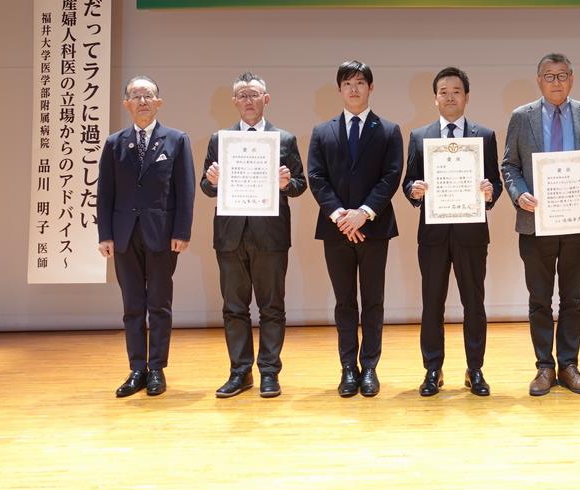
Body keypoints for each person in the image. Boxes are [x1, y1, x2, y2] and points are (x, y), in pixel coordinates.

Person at [502, 53, 580, 396]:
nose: (556, 82)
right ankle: (544, 368)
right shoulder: (522, 117)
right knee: (539, 299)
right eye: (549, 76)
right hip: (536, 223)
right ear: (539, 81)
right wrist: (519, 194)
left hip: (577, 221)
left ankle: (569, 365)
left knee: (573, 298)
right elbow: (509, 166)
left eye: (562, 75)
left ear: (572, 79)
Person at [200, 72, 307, 399]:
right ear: (234, 101)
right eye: (243, 95)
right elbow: (206, 187)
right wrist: (212, 181)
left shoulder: (284, 139)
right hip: (230, 236)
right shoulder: (220, 140)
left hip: (270, 236)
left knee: (272, 306)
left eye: (254, 94)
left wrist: (286, 184)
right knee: (234, 307)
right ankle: (240, 372)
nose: (248, 100)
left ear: (266, 99)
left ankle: (270, 373)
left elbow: (300, 185)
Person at [403, 67, 502, 397]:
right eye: (443, 92)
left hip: (471, 234)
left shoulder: (484, 136)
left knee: (474, 303)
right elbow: (408, 181)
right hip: (432, 236)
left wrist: (490, 191)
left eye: (456, 91)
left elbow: (495, 182)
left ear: (466, 97)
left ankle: (475, 369)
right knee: (432, 303)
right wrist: (414, 190)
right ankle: (433, 369)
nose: (449, 97)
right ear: (435, 98)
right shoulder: (420, 136)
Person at [307, 60, 403, 398]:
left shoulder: (388, 130)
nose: (354, 89)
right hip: (335, 230)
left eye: (360, 82)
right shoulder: (322, 132)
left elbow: (391, 176)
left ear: (371, 88)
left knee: (373, 301)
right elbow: (316, 177)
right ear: (339, 89)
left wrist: (363, 213)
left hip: (374, 228)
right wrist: (341, 216)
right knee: (344, 301)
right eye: (347, 83)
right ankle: (348, 367)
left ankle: (370, 368)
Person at [97, 75, 195, 398]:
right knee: (132, 305)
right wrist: (105, 234)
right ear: (126, 103)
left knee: (159, 305)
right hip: (124, 236)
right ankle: (136, 368)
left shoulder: (176, 140)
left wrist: (182, 231)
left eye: (148, 96)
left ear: (159, 103)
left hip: (163, 236)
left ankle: (157, 369)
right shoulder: (114, 143)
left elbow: (185, 190)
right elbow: (105, 192)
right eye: (136, 96)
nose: (142, 101)